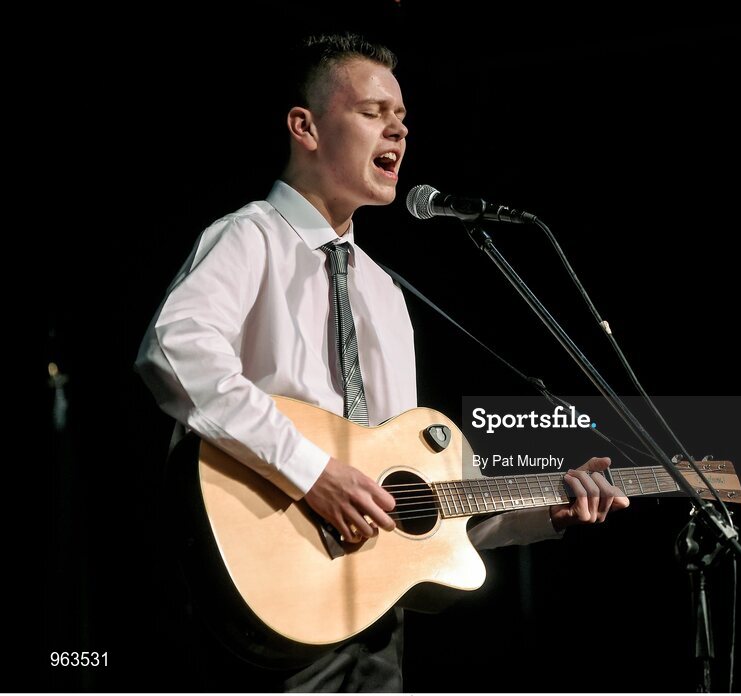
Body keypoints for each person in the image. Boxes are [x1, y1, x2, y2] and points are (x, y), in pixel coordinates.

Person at [135, 31, 628, 691]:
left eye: (402, 118)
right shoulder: (249, 238)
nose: (397, 129)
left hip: (376, 619)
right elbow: (174, 349)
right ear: (305, 126)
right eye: (373, 112)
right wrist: (312, 472)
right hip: (274, 602)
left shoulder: (384, 291)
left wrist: (549, 511)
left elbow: (411, 501)